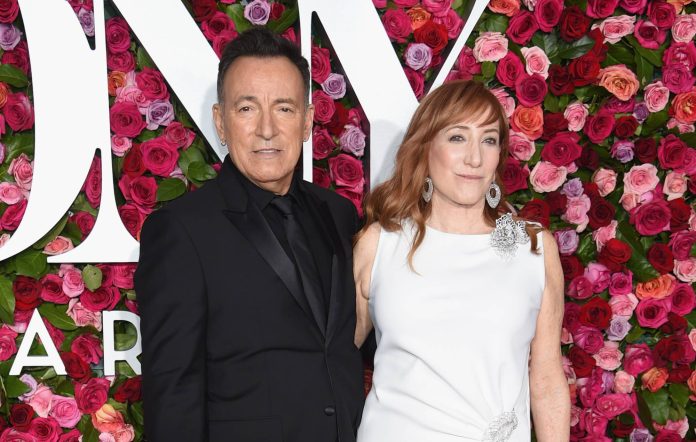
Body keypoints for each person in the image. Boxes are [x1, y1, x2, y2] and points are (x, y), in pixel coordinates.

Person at [135, 28, 364, 442]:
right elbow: (173, 392)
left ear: (308, 122)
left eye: (284, 109)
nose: (266, 130)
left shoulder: (339, 214)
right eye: (246, 108)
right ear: (221, 121)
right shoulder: (182, 231)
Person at [354, 80, 570, 442]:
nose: (474, 158)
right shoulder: (380, 244)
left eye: (488, 140)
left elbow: (546, 380)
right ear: (425, 148)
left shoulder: (533, 249)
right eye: (457, 138)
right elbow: (333, 361)